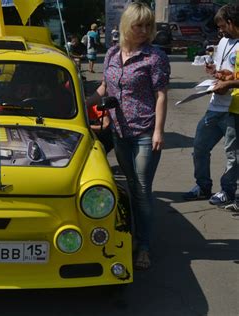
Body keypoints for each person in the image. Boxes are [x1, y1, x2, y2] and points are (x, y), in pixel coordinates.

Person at [86, 2, 170, 270]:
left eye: (148, 25)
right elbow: (103, 87)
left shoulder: (154, 57)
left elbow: (161, 95)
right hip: (120, 132)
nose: (144, 30)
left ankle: (143, 246)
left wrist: (158, 130)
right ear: (126, 26)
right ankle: (130, 235)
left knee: (143, 191)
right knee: (130, 187)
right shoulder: (111, 53)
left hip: (145, 132)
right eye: (139, 25)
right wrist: (77, 103)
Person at [183, 4, 238, 207]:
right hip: (215, 105)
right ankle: (203, 186)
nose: (220, 30)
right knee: (199, 147)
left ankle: (227, 190)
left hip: (233, 109)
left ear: (232, 22)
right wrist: (214, 71)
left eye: (222, 25)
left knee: (233, 154)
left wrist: (228, 82)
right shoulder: (223, 41)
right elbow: (225, 69)